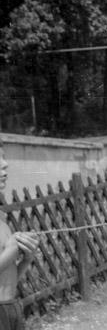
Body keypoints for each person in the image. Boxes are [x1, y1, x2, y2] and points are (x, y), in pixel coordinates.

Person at [0, 139, 40, 330]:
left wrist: (25, 258)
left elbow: (8, 280)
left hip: (11, 309)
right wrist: (12, 249)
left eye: (3, 157)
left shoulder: (2, 221)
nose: (5, 164)